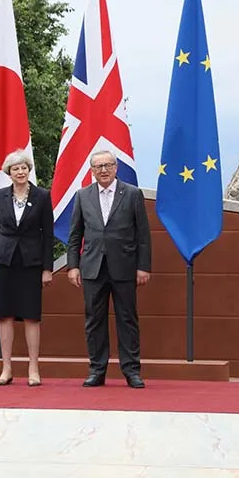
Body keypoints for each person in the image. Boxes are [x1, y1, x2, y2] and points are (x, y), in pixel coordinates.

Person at [67, 149, 151, 388]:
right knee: (94, 320)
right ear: (92, 171)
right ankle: (97, 370)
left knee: (127, 319)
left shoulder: (132, 194)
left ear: (116, 167)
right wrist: (73, 266)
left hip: (124, 266)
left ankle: (131, 371)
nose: (103, 170)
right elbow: (75, 235)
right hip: (92, 268)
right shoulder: (82, 195)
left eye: (107, 165)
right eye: (98, 167)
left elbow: (143, 235)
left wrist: (143, 267)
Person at [0, 150, 54, 387]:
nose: (20, 172)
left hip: (31, 262)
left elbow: (48, 235)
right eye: (16, 169)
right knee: (5, 315)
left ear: (29, 170)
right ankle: (6, 368)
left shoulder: (42, 196)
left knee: (31, 315)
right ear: (9, 173)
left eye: (24, 168)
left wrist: (47, 268)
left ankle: (33, 367)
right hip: (3, 261)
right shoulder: (0, 196)